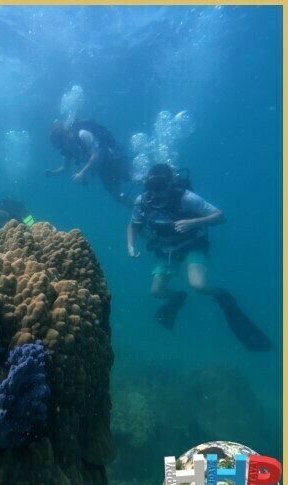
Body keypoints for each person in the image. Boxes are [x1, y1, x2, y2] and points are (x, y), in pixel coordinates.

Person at [127, 163, 271, 351]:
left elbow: (220, 216)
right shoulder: (143, 200)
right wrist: (129, 245)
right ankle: (178, 297)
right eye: (152, 187)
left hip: (192, 244)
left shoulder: (186, 197)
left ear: (170, 184)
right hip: (166, 248)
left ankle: (222, 296)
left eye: (160, 187)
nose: (157, 193)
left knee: (199, 285)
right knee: (156, 292)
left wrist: (194, 222)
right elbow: (133, 225)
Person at [47, 119, 134, 207]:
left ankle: (147, 189)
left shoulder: (82, 134)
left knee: (135, 177)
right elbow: (65, 167)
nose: (61, 147)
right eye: (58, 146)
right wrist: (52, 173)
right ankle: (140, 213)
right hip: (102, 171)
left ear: (64, 136)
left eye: (60, 144)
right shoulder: (67, 149)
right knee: (117, 196)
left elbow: (98, 153)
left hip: (113, 161)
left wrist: (82, 173)